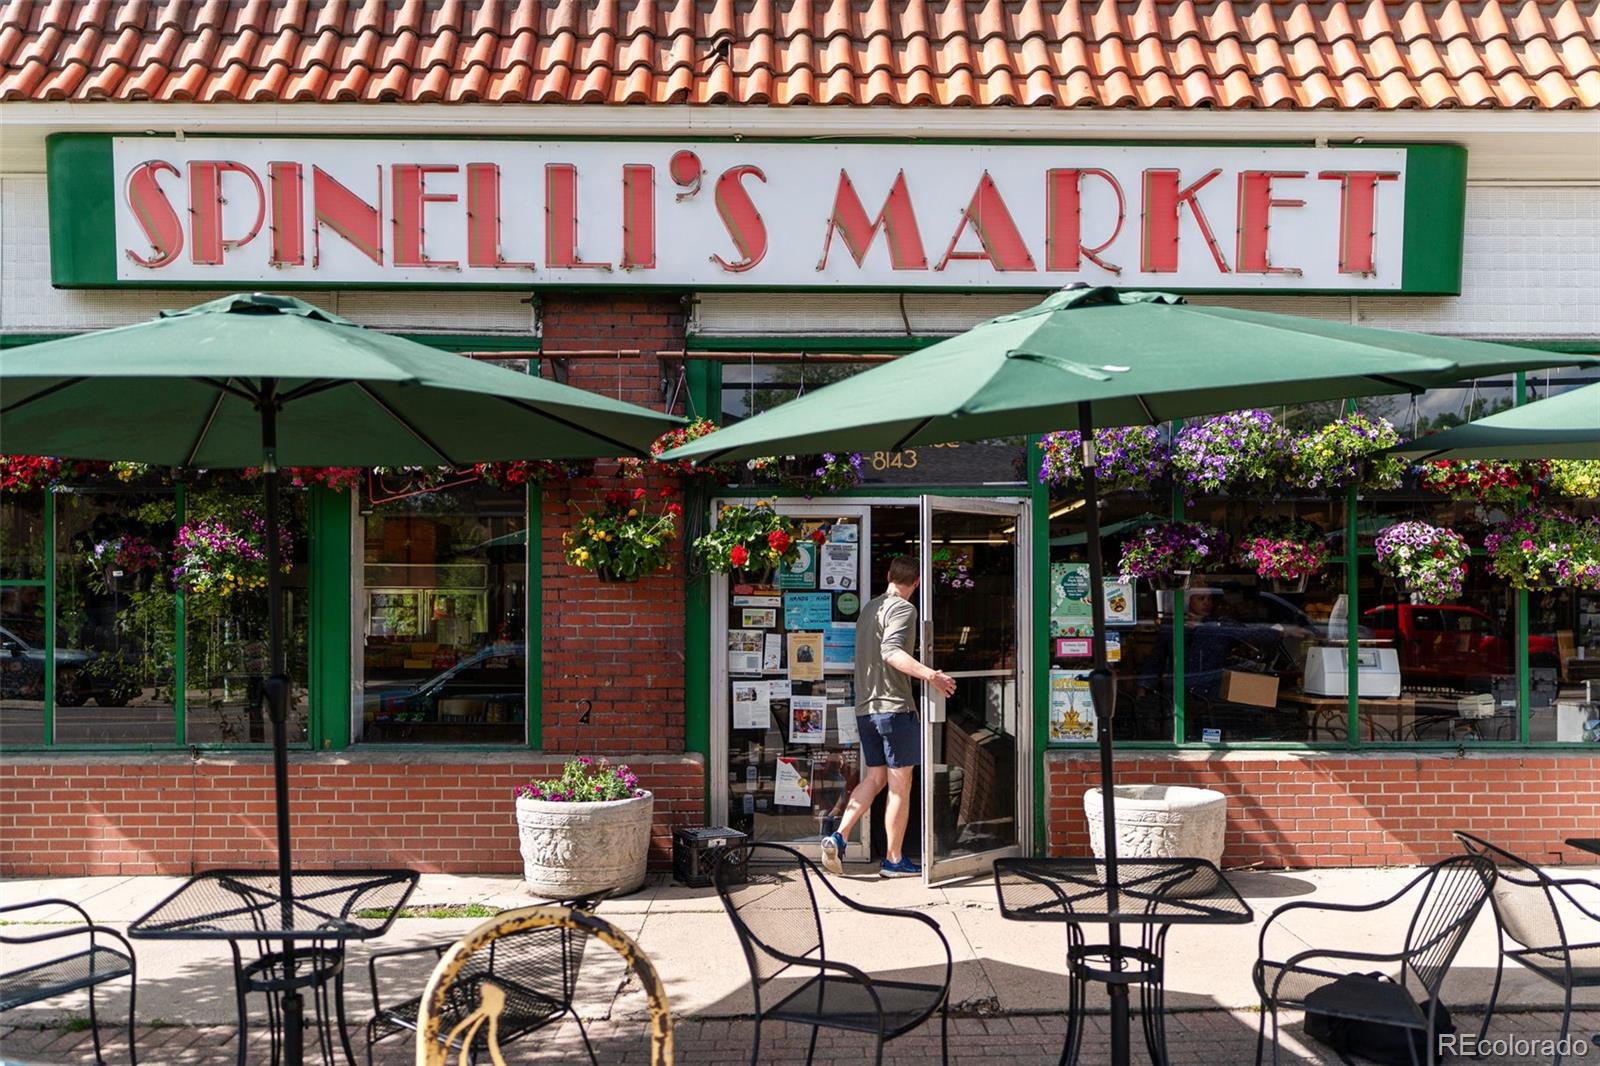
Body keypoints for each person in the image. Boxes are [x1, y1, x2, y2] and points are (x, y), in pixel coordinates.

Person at [820, 555, 956, 878]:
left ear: (888, 576)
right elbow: (891, 652)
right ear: (917, 583)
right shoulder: (904, 609)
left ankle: (839, 836)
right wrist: (931, 675)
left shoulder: (869, 609)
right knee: (899, 786)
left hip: (866, 710)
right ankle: (894, 860)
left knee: (875, 779)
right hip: (894, 710)